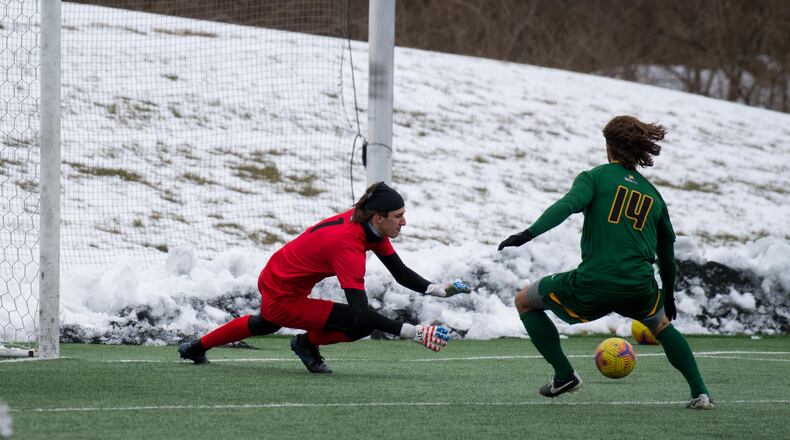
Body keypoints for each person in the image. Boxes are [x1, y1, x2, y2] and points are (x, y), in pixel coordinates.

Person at [498, 115, 714, 410]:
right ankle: (700, 393)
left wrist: (527, 234)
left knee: (525, 301)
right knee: (661, 325)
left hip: (594, 282)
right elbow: (667, 252)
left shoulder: (595, 177)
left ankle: (564, 376)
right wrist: (669, 295)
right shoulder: (654, 196)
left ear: (609, 147)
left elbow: (567, 206)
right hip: (639, 286)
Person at [179, 181, 471, 373]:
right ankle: (305, 344)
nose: (404, 222)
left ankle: (196, 348)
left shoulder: (366, 223)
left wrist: (438, 290)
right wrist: (413, 332)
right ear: (378, 217)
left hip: (278, 275)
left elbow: (400, 271)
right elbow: (361, 311)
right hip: (283, 292)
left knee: (265, 322)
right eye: (398, 215)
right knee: (359, 324)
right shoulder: (348, 245)